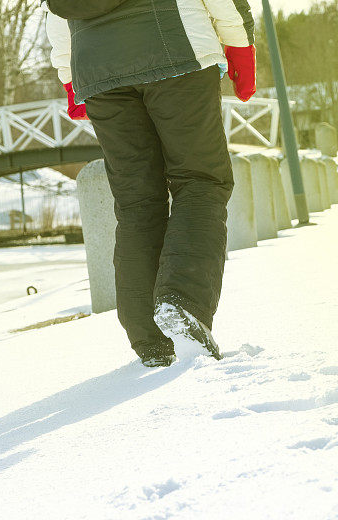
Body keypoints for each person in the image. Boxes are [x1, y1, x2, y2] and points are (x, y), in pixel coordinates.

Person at [43, 0, 256, 367]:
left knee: (137, 201)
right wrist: (240, 45)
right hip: (176, 52)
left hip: (96, 70)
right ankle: (182, 303)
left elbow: (57, 15)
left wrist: (70, 76)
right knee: (201, 181)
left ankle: (152, 340)